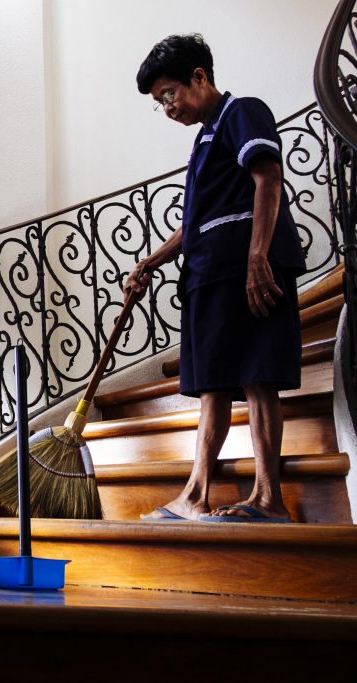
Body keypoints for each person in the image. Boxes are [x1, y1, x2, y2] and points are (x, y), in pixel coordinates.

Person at [125, 34, 306, 523]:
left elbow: (268, 179)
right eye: (159, 102)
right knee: (212, 386)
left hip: (249, 271)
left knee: (258, 376)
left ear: (199, 76)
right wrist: (149, 262)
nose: (167, 108)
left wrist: (257, 259)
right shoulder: (203, 141)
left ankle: (268, 498)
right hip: (209, 275)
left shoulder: (242, 111)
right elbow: (194, 224)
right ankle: (195, 495)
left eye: (169, 94)